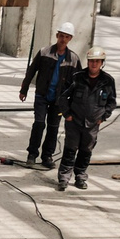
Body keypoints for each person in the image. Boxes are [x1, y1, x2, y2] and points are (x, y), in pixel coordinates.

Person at [54, 46, 119, 191]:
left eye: (97, 61)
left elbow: (112, 102)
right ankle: (64, 178)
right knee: (70, 150)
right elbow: (63, 96)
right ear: (88, 62)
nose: (94, 64)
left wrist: (103, 117)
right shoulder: (77, 77)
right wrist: (67, 114)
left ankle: (80, 177)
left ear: (102, 62)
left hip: (92, 124)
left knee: (86, 151)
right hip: (74, 122)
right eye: (91, 61)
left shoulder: (108, 81)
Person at [20, 24, 77, 168]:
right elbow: (31, 71)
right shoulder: (44, 52)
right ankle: (32, 154)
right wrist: (24, 89)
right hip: (42, 95)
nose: (63, 39)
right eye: (61, 35)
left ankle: (47, 156)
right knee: (39, 124)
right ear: (57, 35)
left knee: (53, 127)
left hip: (59, 100)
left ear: (70, 39)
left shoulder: (73, 59)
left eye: (66, 37)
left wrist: (73, 103)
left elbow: (78, 82)